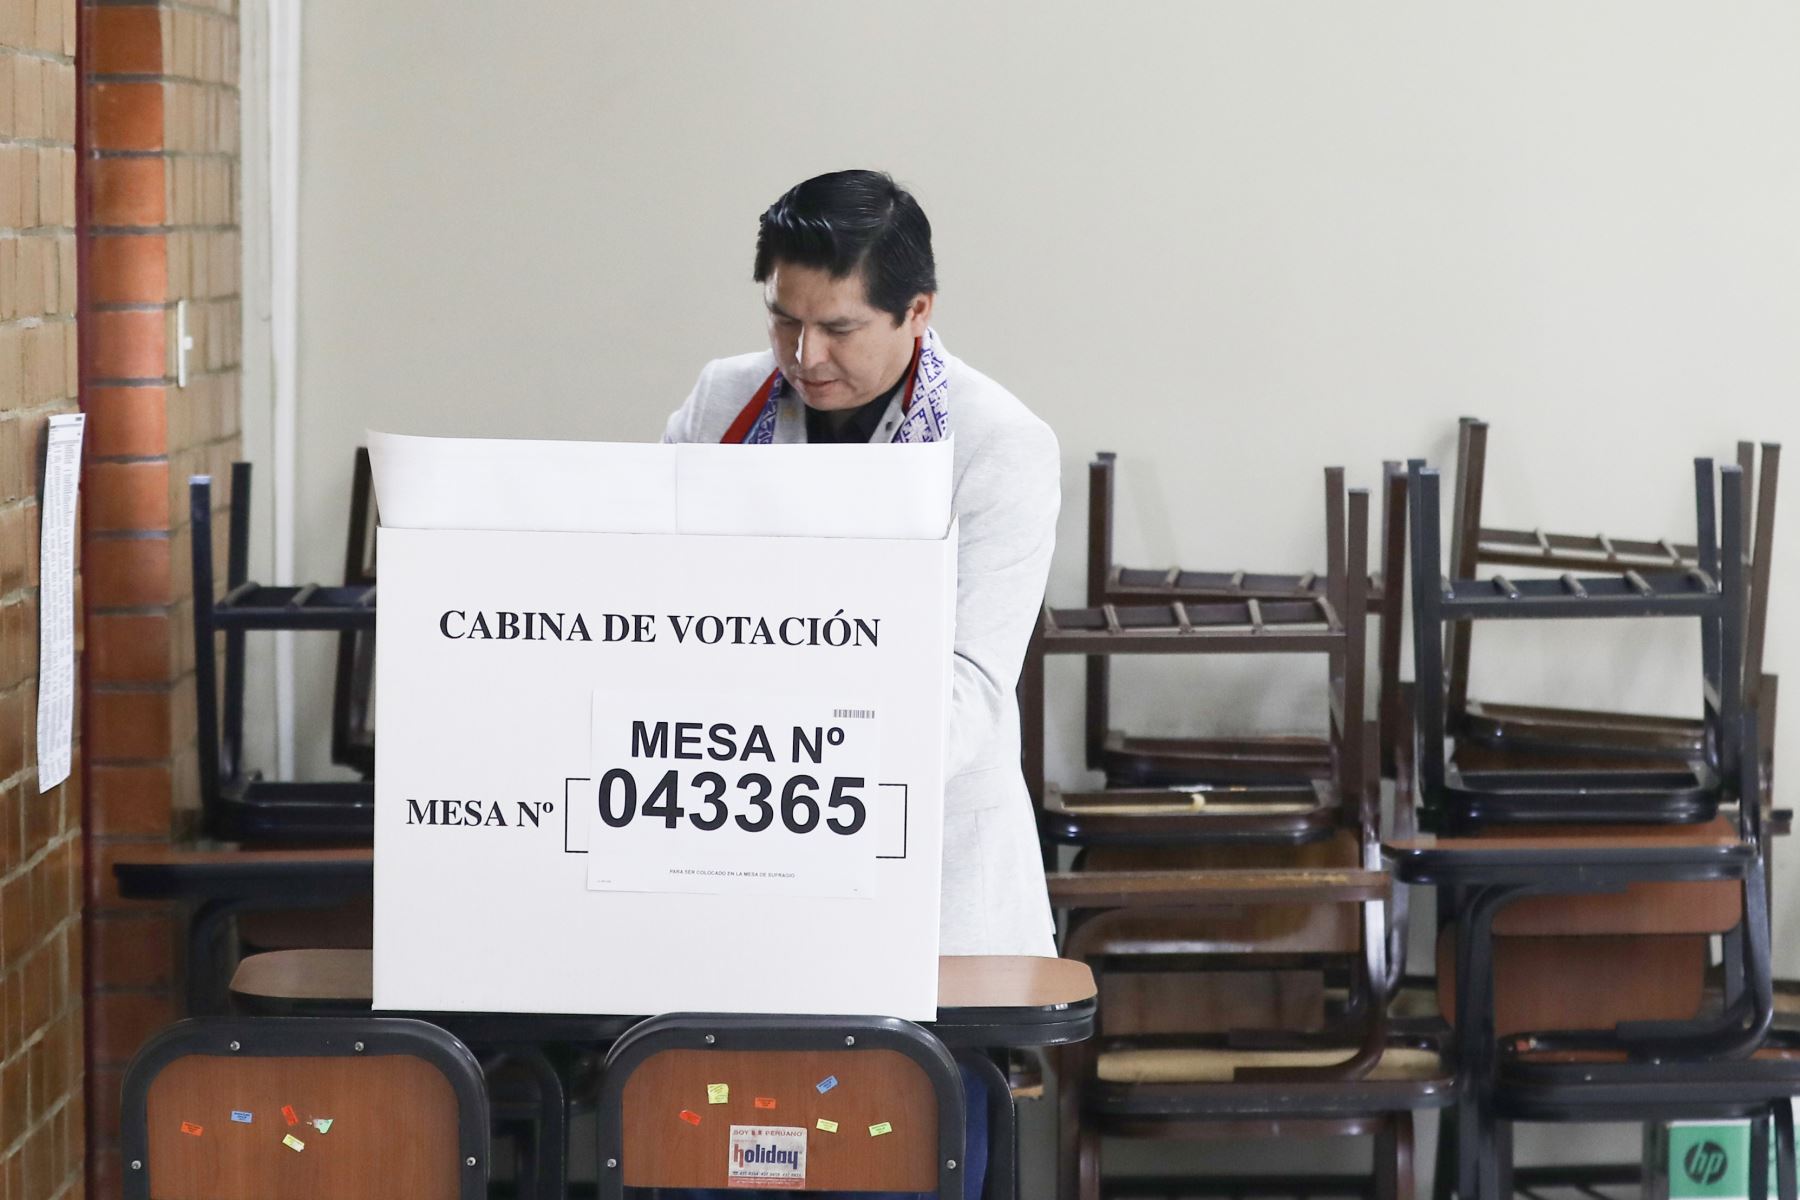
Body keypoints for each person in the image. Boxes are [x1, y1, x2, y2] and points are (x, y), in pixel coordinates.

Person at [658, 169, 1060, 1200]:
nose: (803, 357)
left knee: (899, 1158)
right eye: (783, 322)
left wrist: (802, 745)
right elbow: (651, 607)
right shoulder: (722, 402)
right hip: (739, 855)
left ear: (918, 312)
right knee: (727, 1157)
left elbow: (971, 695)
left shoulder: (1001, 444)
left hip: (923, 880)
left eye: (837, 328)